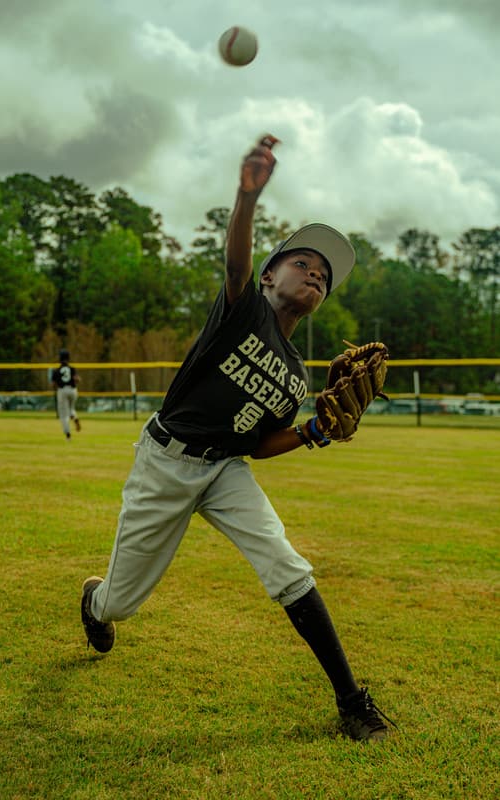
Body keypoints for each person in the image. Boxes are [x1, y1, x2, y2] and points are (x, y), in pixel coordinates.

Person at [81, 134, 396, 741]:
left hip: (227, 468)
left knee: (287, 565)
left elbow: (259, 443)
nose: (314, 274)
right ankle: (96, 603)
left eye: (324, 276)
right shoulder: (244, 308)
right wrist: (246, 196)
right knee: (121, 604)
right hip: (167, 461)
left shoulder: (296, 375)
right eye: (303, 262)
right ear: (272, 272)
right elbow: (234, 262)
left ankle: (351, 701)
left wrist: (313, 431)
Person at [52, 349, 81, 440]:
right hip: (73, 390)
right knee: (71, 409)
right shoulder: (72, 369)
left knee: (63, 414)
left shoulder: (57, 370)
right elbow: (77, 379)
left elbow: (53, 384)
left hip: (62, 390)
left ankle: (68, 435)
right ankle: (75, 417)